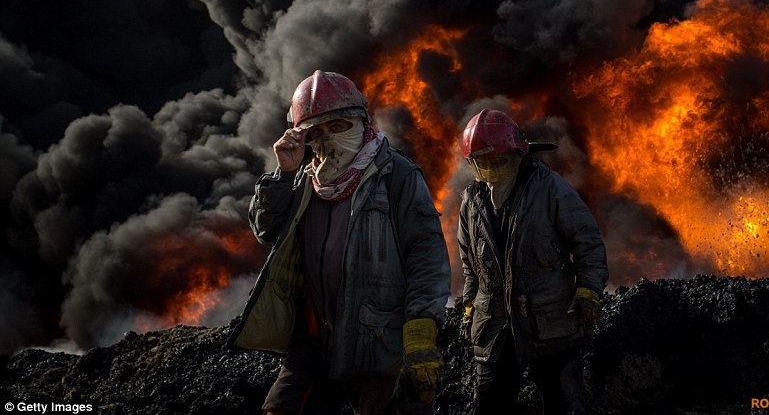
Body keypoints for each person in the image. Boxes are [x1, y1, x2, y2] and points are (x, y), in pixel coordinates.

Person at [228, 70, 451, 415]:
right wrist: (283, 173)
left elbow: (426, 256)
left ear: (362, 121)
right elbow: (265, 231)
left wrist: (420, 329)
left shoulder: (397, 177)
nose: (328, 139)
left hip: (376, 341)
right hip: (315, 339)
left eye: (339, 126)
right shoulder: (303, 179)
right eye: (315, 131)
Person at [457, 108, 608, 414]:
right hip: (494, 329)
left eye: (498, 162)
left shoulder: (550, 189)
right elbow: (470, 265)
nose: (492, 173)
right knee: (488, 406)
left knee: (563, 404)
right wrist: (470, 305)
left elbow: (587, 244)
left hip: (550, 323)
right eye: (483, 166)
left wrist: (589, 291)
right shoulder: (471, 202)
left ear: (517, 154)